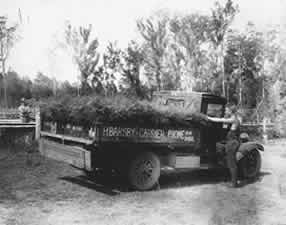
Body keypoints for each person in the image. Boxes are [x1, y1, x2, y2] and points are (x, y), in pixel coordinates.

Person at [207, 104, 241, 187]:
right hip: (230, 142)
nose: (225, 111)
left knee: (231, 163)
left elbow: (220, 120)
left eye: (226, 110)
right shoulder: (234, 118)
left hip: (232, 143)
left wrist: (209, 118)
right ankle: (230, 179)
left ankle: (234, 183)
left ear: (230, 111)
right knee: (225, 158)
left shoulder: (233, 119)